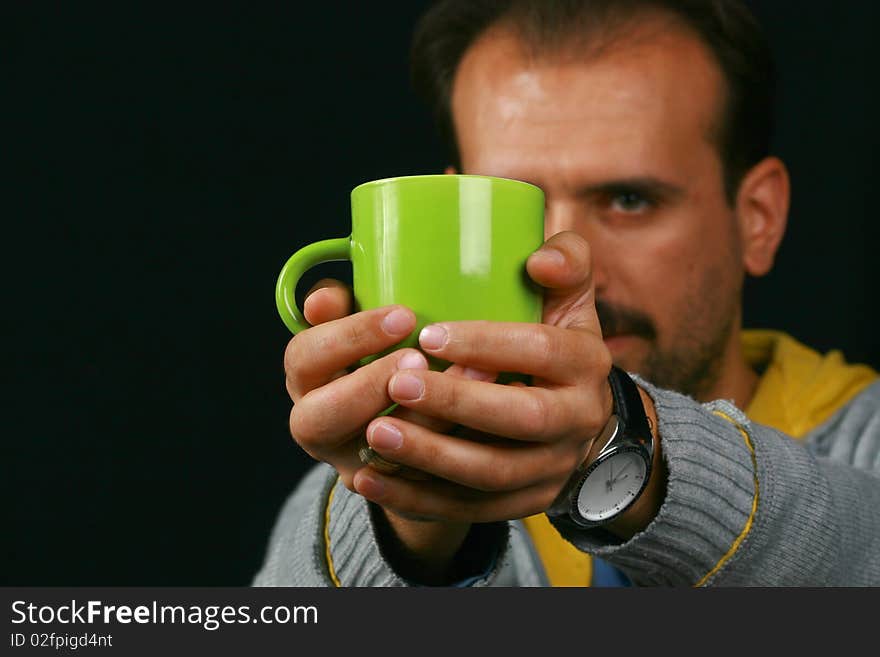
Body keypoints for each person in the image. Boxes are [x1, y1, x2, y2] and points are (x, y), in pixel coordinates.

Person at [253, 0, 880, 586]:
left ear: (758, 218)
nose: (565, 263)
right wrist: (413, 519)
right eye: (514, 208)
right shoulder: (352, 495)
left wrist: (620, 444)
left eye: (629, 200)